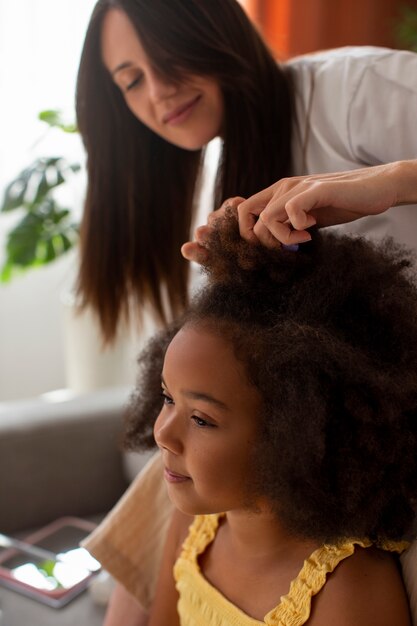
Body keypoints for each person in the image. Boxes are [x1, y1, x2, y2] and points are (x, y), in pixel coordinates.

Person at [75, 0, 417, 622]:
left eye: (168, 55)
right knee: (172, 479)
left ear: (214, 29)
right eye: (130, 80)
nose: (158, 91)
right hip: (321, 439)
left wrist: (390, 182)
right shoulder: (224, 177)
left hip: (393, 430)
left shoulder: (357, 89)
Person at [121, 210, 417, 625]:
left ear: (296, 436)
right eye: (168, 398)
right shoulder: (194, 524)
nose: (164, 434)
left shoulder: (348, 592)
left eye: (202, 419)